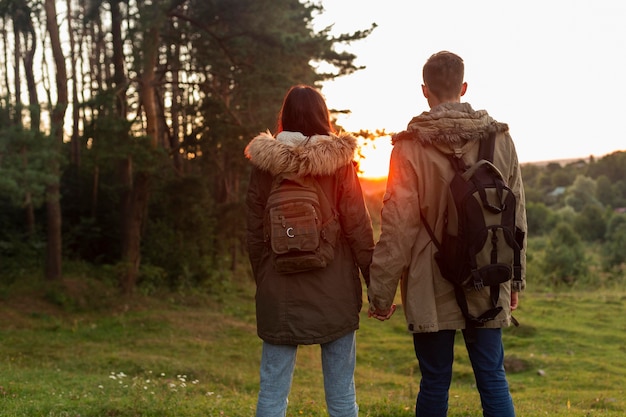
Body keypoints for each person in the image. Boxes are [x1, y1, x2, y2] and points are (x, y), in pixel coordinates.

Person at [367, 51, 527, 417]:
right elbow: (517, 214)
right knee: (492, 376)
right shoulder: (501, 139)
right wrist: (514, 282)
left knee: (435, 380)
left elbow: (398, 226)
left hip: (431, 277)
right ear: (464, 87)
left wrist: (380, 293)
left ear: (425, 91)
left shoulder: (407, 147)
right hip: (489, 273)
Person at [245, 84, 374, 417]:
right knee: (342, 394)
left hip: (279, 290)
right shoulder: (340, 164)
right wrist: (376, 285)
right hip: (336, 292)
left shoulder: (264, 165)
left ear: (285, 117)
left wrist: (265, 278)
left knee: (272, 392)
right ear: (323, 117)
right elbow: (358, 227)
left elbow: (254, 234)